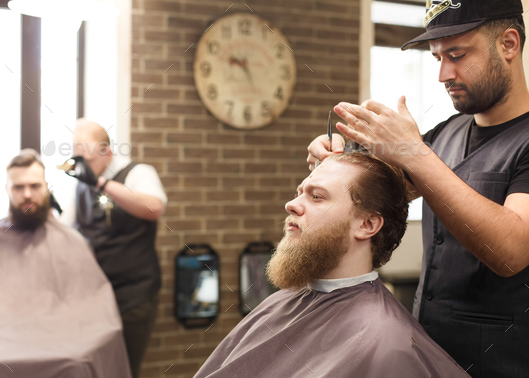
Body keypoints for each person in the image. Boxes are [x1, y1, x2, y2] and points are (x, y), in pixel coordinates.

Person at [307, 0, 529, 376]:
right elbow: (384, 189)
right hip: (427, 355)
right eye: (437, 58)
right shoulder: (446, 133)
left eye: (457, 55)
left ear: (508, 45)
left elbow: (511, 249)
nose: (443, 74)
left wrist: (412, 151)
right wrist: (335, 163)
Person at [194, 153, 470, 378]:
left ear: (367, 225)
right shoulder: (283, 302)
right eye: (299, 192)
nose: (291, 204)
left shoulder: (387, 342)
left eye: (316, 196)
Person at [0, 149, 131, 377]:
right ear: (7, 190)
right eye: (18, 187)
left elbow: (97, 313)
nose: (27, 194)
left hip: (62, 338)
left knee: (78, 363)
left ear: (46, 187)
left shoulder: (71, 241)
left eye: (35, 186)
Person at [59, 118, 167, 378]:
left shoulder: (138, 173)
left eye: (89, 160)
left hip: (134, 295)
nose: (84, 167)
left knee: (124, 369)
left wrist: (101, 184)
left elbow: (154, 208)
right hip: (97, 295)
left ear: (107, 152)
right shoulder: (82, 183)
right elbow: (65, 229)